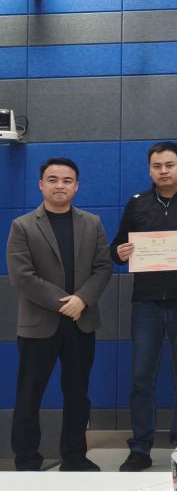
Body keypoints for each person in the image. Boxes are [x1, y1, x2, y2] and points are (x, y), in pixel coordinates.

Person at [110, 141, 177, 472]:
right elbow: (117, 247)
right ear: (150, 170)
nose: (164, 171)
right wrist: (120, 253)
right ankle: (140, 447)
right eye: (157, 166)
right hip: (146, 303)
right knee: (141, 377)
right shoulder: (137, 203)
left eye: (170, 165)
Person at [6, 158, 113, 471]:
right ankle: (27, 460)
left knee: (78, 394)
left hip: (82, 322)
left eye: (67, 180)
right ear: (41, 185)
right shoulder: (23, 225)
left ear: (76, 186)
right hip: (39, 325)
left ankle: (75, 456)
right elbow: (21, 277)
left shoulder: (92, 223)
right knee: (29, 394)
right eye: (52, 180)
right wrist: (65, 303)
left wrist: (82, 300)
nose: (60, 186)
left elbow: (103, 267)